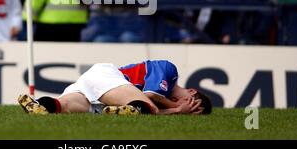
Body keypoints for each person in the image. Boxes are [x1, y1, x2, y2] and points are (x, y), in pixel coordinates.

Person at [18, 59, 212, 115]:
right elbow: (151, 94)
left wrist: (177, 110)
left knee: (65, 106)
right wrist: (178, 109)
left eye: (191, 111)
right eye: (192, 104)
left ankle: (40, 106)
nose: (187, 107)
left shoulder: (166, 103)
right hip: (107, 76)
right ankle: (120, 111)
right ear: (192, 91)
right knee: (147, 107)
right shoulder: (170, 71)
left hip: (96, 89)